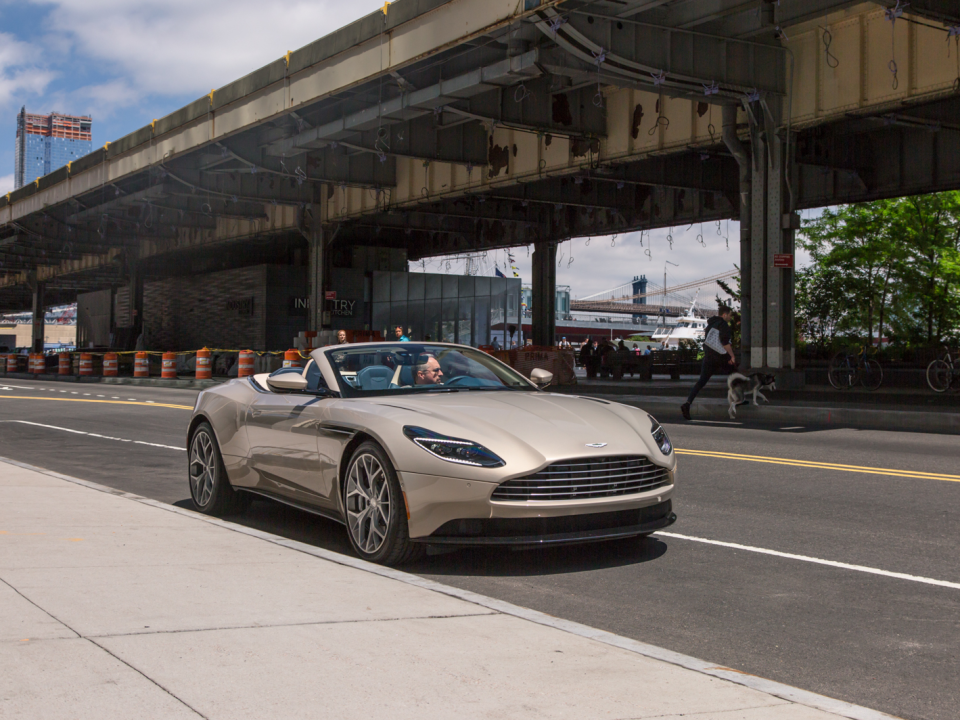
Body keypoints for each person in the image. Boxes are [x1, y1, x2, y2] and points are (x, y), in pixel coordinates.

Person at [680, 304, 736, 420]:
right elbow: (725, 342)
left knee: (701, 382)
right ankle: (738, 400)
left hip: (708, 358)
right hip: (720, 357)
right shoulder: (723, 324)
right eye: (730, 315)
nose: (731, 318)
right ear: (724, 315)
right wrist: (731, 356)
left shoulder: (710, 325)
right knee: (735, 374)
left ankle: (687, 403)